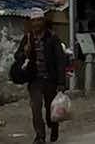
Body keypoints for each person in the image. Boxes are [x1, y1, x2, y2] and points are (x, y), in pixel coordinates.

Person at [14, 8, 67, 144]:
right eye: (34, 21)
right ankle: (40, 136)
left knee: (51, 109)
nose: (36, 23)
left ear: (43, 21)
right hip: (34, 79)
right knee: (36, 108)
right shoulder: (28, 38)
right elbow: (17, 56)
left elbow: (60, 60)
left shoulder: (52, 37)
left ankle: (53, 126)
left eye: (39, 20)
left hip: (50, 79)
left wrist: (61, 82)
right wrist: (25, 53)